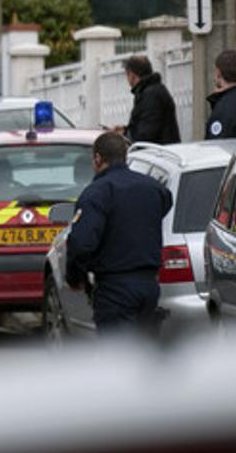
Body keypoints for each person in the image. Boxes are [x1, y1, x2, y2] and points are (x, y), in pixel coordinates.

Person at [66, 132, 172, 334]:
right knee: (145, 354)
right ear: (125, 157)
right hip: (149, 287)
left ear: (98, 159)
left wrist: (75, 278)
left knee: (118, 358)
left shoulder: (96, 193)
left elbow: (81, 243)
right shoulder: (152, 188)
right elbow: (165, 203)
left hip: (115, 289)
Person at [121, 55, 180, 145]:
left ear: (132, 75)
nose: (127, 80)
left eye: (127, 74)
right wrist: (125, 130)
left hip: (158, 154)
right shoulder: (152, 91)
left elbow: (146, 134)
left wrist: (125, 135)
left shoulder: (150, 96)